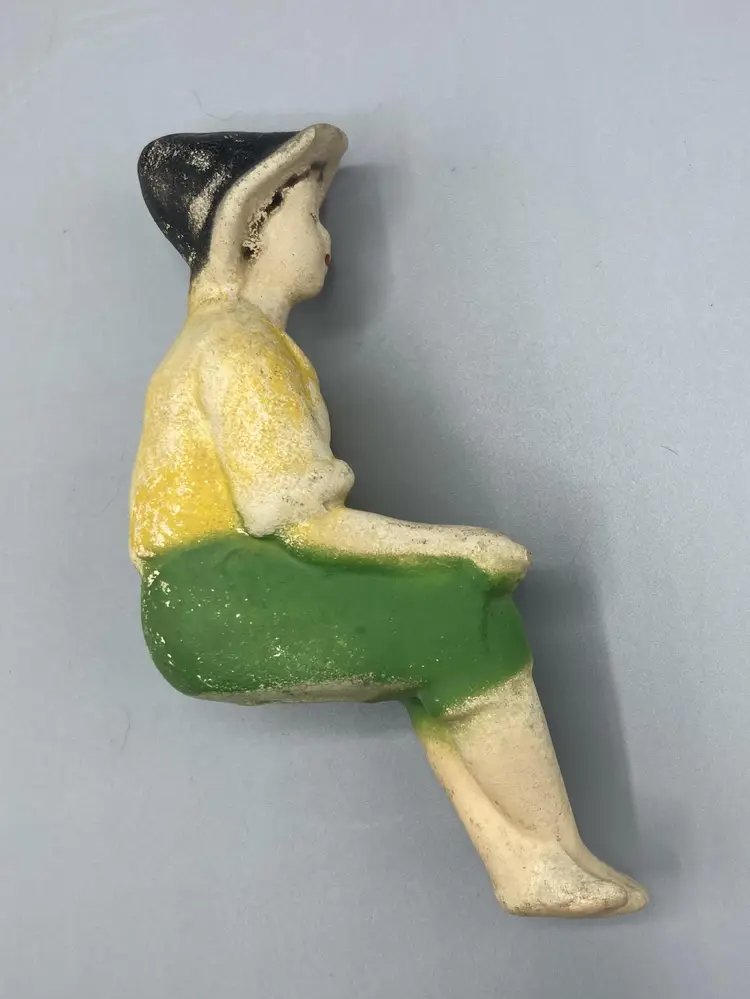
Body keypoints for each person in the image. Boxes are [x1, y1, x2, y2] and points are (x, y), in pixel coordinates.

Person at [131, 124, 647, 916]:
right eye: (311, 216)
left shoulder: (234, 339)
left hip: (205, 597)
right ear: (254, 227)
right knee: (458, 605)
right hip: (215, 598)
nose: (326, 239)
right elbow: (300, 523)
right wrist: (460, 546)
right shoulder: (239, 346)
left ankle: (534, 860)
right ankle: (543, 856)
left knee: (440, 627)